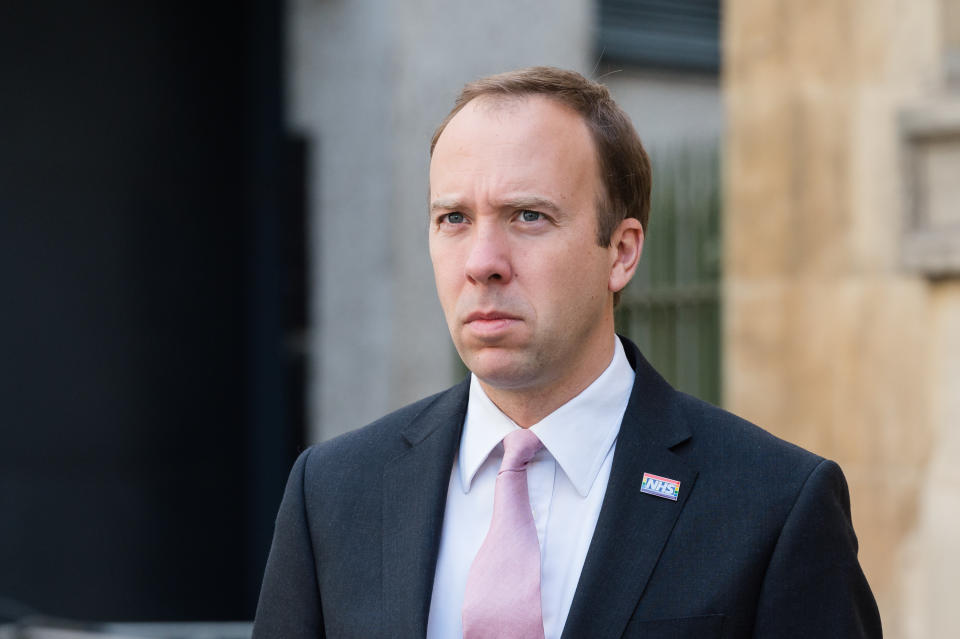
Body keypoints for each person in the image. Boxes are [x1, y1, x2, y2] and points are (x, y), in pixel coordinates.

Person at [252, 67, 882, 639]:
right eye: (453, 219)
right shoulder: (333, 494)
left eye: (527, 216)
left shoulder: (771, 504)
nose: (482, 264)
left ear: (622, 251)